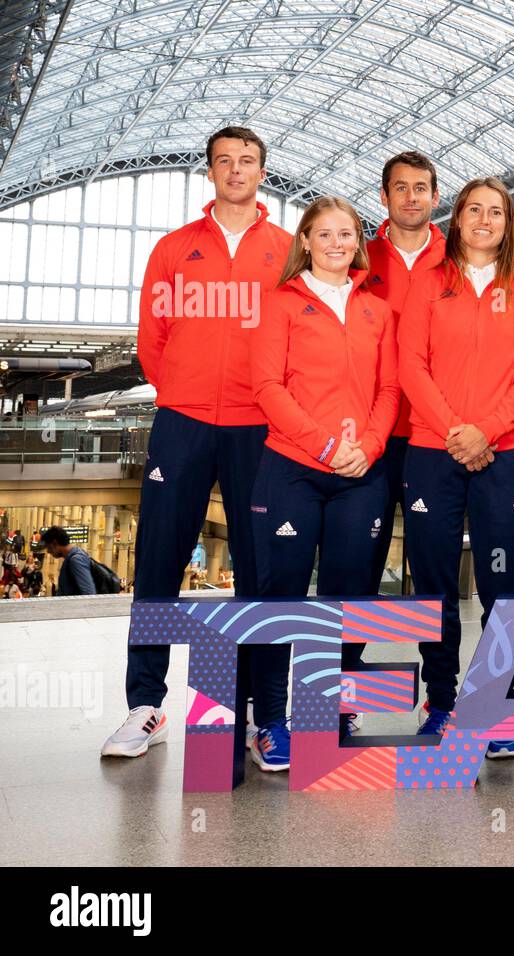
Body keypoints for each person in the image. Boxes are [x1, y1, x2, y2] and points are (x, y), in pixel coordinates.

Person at [103, 126, 291, 760]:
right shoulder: (173, 250)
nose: (236, 170)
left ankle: (265, 717)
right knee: (157, 561)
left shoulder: (287, 251)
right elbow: (152, 342)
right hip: (183, 423)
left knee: (260, 574)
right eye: (224, 162)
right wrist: (184, 390)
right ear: (209, 173)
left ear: (263, 172)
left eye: (247, 161)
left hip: (260, 426)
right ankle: (145, 706)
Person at [247, 196, 400, 771]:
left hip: (361, 473)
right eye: (325, 233)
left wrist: (370, 447)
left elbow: (390, 390)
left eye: (348, 233)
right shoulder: (280, 304)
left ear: (359, 242)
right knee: (282, 597)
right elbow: (267, 387)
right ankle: (269, 720)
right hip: (293, 469)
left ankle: (331, 704)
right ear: (305, 240)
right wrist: (326, 445)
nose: (338, 242)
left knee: (348, 595)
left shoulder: (378, 311)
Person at [399, 177, 514, 757]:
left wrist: (485, 430)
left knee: (502, 585)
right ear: (456, 219)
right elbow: (412, 365)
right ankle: (441, 700)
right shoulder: (427, 288)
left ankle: (494, 705)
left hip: (501, 454)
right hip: (434, 453)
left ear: (509, 225)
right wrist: (456, 431)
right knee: (433, 585)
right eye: (475, 211)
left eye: (497, 212)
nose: (485, 221)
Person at [363, 150, 447, 597]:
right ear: (384, 196)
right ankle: (346, 662)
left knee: (432, 562)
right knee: (362, 556)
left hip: (434, 433)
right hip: (374, 430)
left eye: (420, 189)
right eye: (401, 188)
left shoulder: (457, 260)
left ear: (435, 197)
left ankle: (438, 669)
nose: (411, 198)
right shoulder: (358, 259)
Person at [43, 526, 95, 597]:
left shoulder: (76, 560)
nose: (48, 551)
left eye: (48, 547)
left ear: (55, 543)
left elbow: (89, 594)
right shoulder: (73, 557)